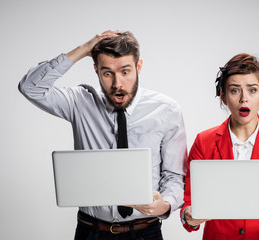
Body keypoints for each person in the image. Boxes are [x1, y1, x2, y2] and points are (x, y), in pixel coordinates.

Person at [19, 30, 187, 240]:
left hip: (145, 232)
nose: (117, 84)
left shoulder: (166, 110)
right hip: (91, 231)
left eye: (125, 72)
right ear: (96, 70)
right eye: (107, 73)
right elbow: (30, 87)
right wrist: (83, 49)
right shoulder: (79, 102)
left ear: (139, 67)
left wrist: (166, 204)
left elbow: (174, 175)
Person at [180, 53, 259, 240]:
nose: (244, 98)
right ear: (223, 97)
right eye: (235, 90)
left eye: (252, 90)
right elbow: (188, 203)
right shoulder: (204, 142)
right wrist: (189, 216)